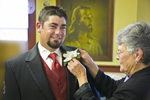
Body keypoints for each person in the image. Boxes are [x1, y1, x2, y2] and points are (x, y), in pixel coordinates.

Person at [2, 6, 100, 100]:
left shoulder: (79, 56)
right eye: (53, 26)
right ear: (39, 27)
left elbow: (93, 96)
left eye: (63, 27)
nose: (58, 32)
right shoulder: (14, 66)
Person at [67, 22, 150, 100]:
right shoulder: (140, 76)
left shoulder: (136, 87)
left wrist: (81, 77)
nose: (117, 57)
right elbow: (113, 87)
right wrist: (90, 64)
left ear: (137, 54)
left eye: (120, 52)